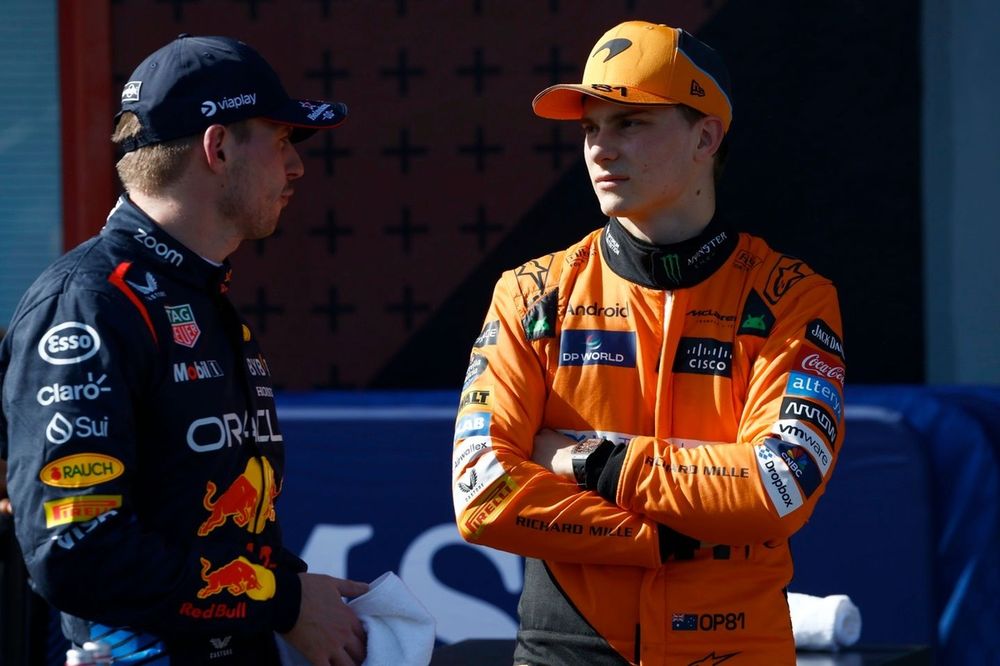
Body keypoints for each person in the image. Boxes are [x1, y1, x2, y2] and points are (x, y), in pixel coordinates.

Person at [452, 20, 846, 665]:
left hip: (734, 648)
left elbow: (780, 487)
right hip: (564, 650)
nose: (601, 150)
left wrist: (589, 461)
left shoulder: (789, 296)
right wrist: (664, 538)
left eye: (630, 123)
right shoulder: (530, 292)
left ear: (706, 136)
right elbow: (481, 493)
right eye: (590, 128)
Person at [0, 35, 368, 665]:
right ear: (218, 147)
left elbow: (198, 517)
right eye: (281, 141)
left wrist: (298, 589)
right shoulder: (90, 304)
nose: (297, 167)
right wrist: (279, 600)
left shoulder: (197, 293)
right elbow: (76, 549)